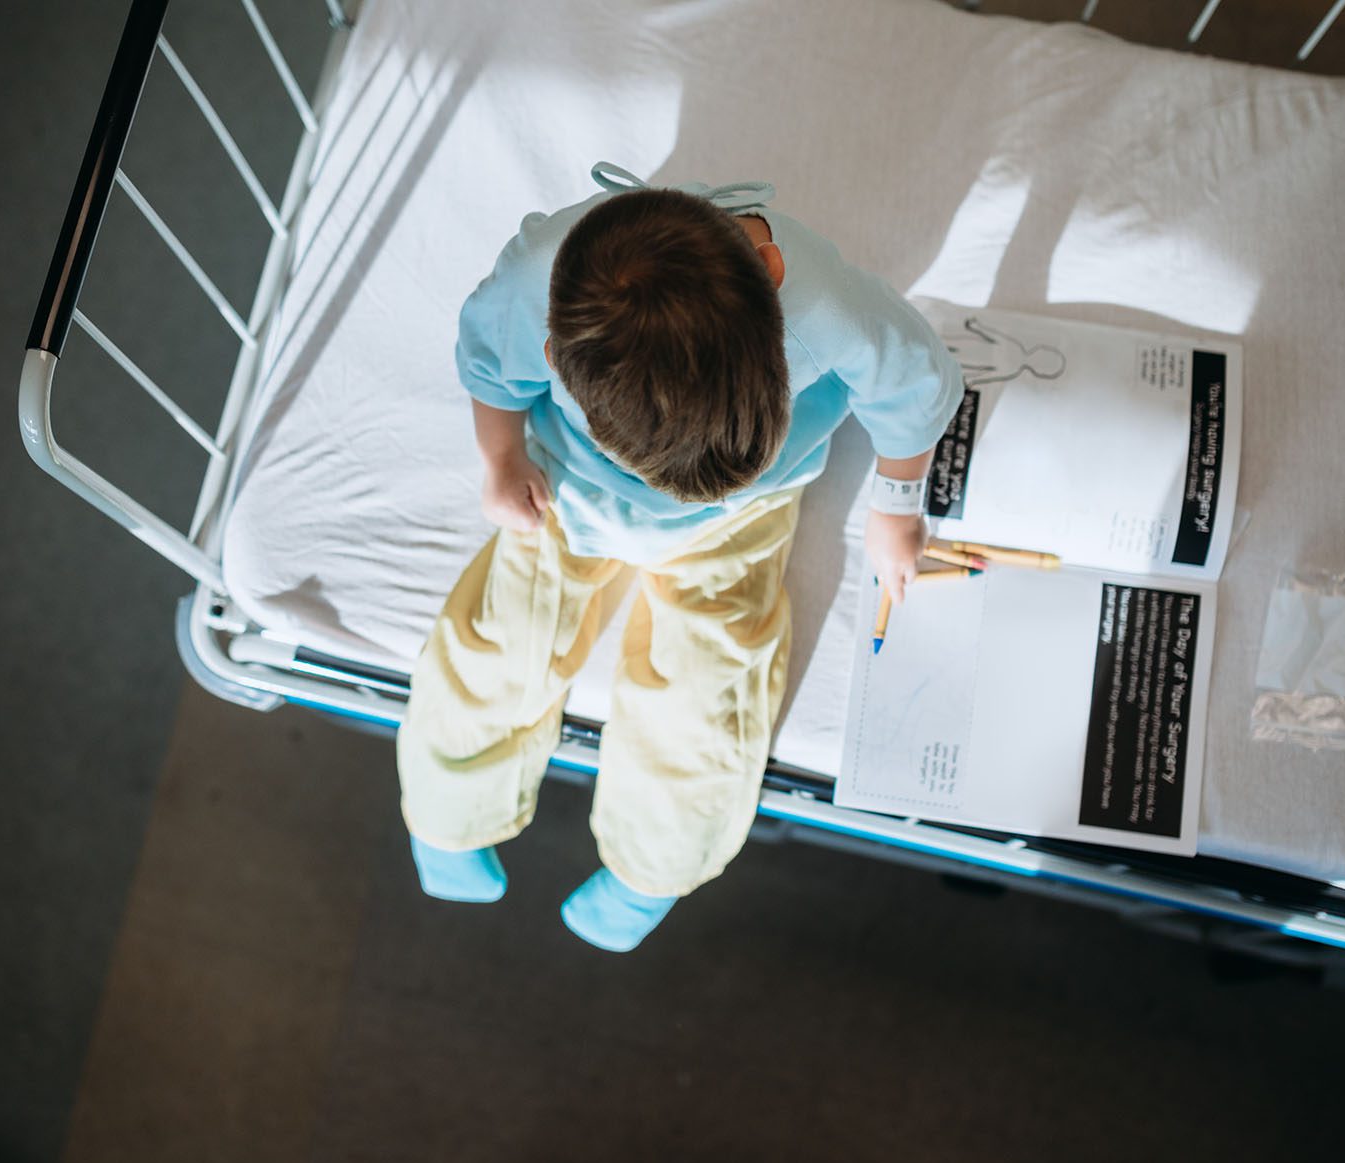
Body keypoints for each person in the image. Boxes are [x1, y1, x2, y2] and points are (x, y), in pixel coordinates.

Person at [396, 162, 962, 951]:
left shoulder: (827, 307)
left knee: (707, 683)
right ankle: (448, 813)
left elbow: (918, 386)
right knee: (500, 643)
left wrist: (897, 509)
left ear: (773, 271)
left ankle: (652, 868)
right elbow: (489, 366)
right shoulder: (533, 285)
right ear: (558, 355)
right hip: (571, 486)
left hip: (741, 509)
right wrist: (500, 463)